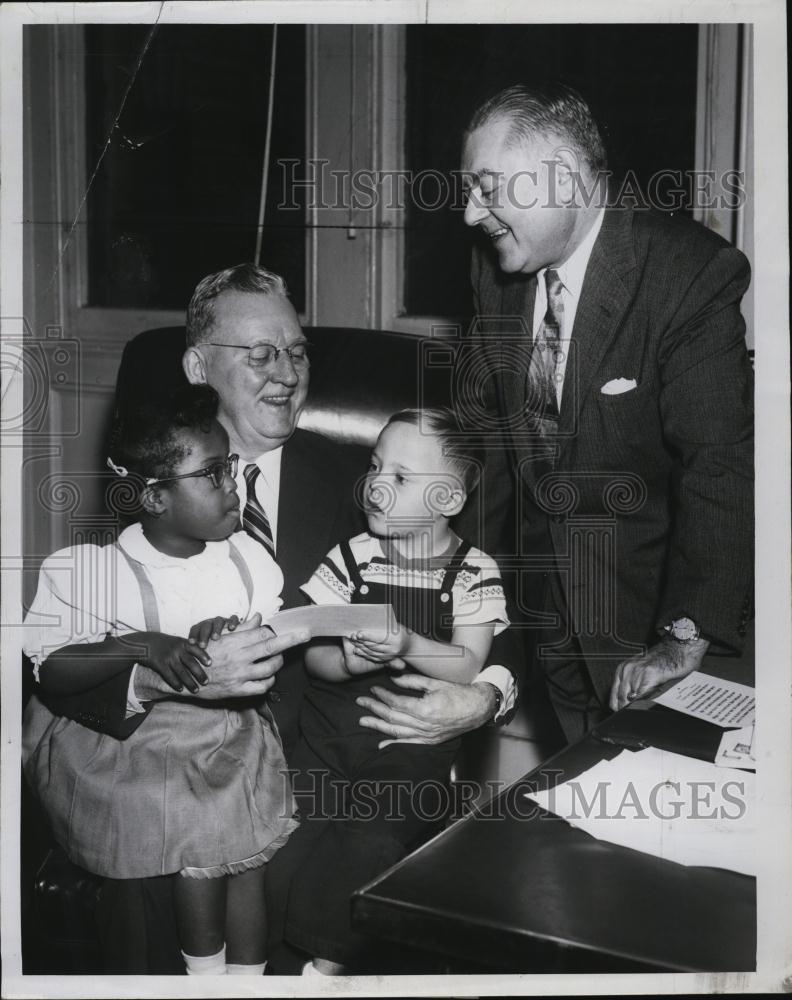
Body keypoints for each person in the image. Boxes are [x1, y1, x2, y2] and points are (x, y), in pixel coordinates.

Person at [38, 263, 521, 973]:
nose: (286, 372)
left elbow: (501, 620)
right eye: (259, 353)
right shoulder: (159, 489)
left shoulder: (372, 482)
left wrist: (483, 697)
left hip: (324, 773)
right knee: (148, 888)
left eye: (295, 351)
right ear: (199, 367)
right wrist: (156, 681)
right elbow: (70, 658)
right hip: (169, 767)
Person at [459, 82, 753, 742]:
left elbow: (721, 467)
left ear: (562, 176)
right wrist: (469, 592)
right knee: (580, 821)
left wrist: (685, 635)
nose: (471, 214)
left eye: (487, 187)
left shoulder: (688, 272)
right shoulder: (494, 273)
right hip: (549, 622)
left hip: (653, 632)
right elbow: (496, 447)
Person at [22, 384, 301, 976]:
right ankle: (203, 977)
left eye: (234, 469)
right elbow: (51, 667)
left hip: (227, 733)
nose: (235, 488)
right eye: (214, 475)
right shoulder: (93, 571)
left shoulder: (246, 562)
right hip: (129, 748)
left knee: (243, 847)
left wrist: (230, 631)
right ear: (153, 497)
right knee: (205, 827)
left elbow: (262, 642)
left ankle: (247, 979)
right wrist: (141, 644)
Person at [278, 408, 509, 975]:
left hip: (407, 745)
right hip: (327, 734)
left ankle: (327, 964)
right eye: (375, 466)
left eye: (401, 478)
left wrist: (406, 642)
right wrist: (349, 659)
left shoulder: (473, 570)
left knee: (375, 837)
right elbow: (316, 660)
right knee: (282, 840)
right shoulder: (350, 558)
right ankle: (268, 963)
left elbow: (467, 663)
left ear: (448, 500)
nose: (377, 485)